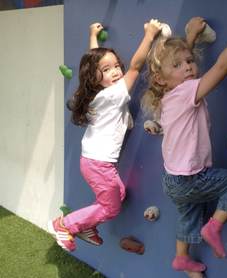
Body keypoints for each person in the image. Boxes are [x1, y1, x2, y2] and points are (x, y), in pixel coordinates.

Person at [141, 11, 227, 277]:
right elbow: (221, 68)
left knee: (189, 215)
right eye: (179, 65)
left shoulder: (167, 98)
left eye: (190, 61)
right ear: (161, 79)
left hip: (173, 180)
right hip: (192, 178)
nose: (188, 66)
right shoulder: (186, 91)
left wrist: (191, 37)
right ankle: (214, 227)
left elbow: (176, 68)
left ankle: (182, 258)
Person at [48, 20, 162, 252]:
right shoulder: (112, 95)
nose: (116, 71)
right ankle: (64, 224)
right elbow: (135, 67)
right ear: (96, 77)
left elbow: (94, 62)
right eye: (108, 69)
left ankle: (86, 226)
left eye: (116, 65)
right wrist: (149, 35)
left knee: (117, 194)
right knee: (111, 208)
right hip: (99, 164)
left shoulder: (97, 94)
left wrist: (92, 36)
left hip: (94, 162)